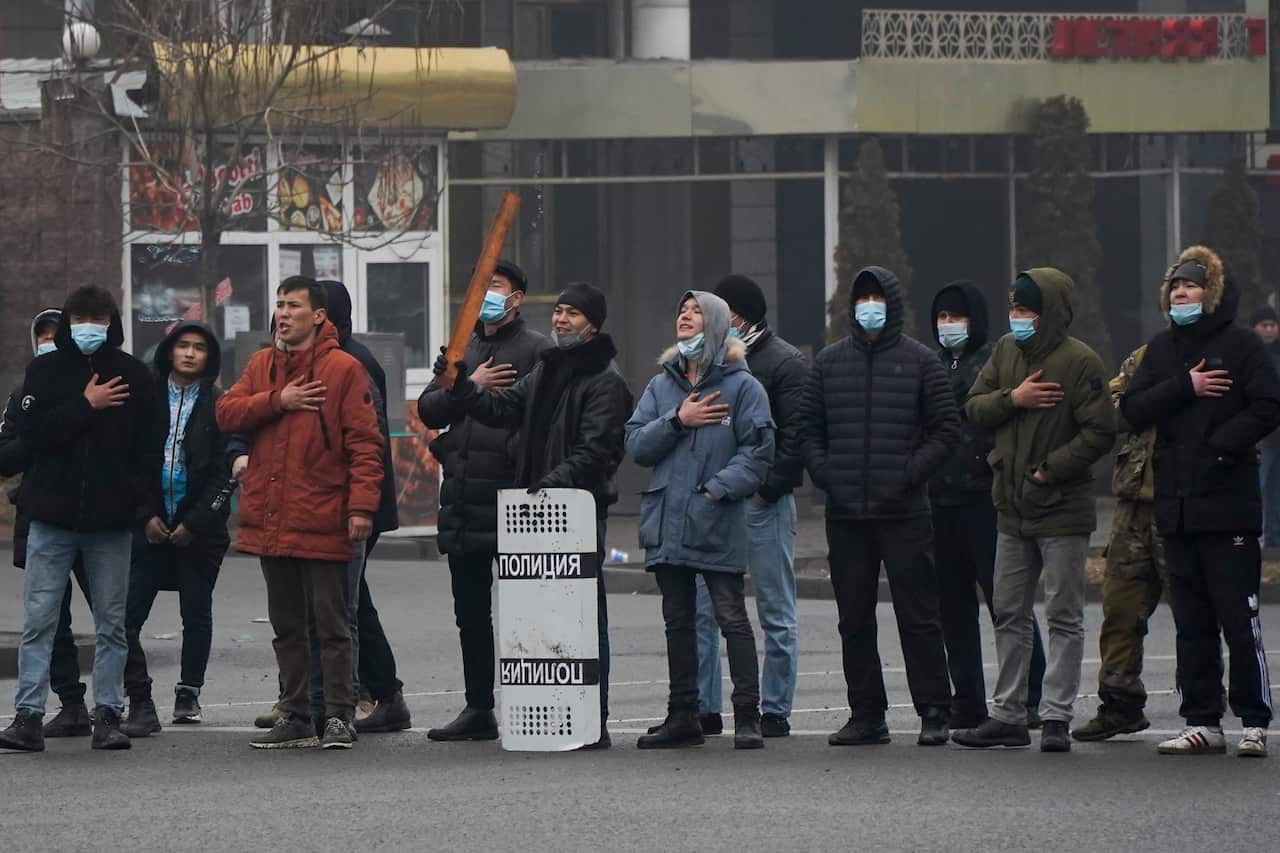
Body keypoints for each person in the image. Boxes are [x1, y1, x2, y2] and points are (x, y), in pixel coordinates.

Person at [432, 281, 631, 749]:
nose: (562, 320)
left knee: (582, 616)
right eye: (559, 311)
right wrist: (460, 383)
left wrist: (551, 484)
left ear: (593, 325)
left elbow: (597, 450)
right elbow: (501, 407)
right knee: (542, 617)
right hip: (538, 510)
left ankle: (592, 717)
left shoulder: (606, 379)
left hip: (576, 512)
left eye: (573, 314)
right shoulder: (548, 368)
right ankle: (553, 711)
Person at [1121, 246, 1278, 758]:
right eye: (1175, 288)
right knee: (1191, 625)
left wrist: (1220, 446)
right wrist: (1183, 387)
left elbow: (1268, 405)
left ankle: (1254, 721)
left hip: (1227, 504)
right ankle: (1202, 721)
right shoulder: (1161, 351)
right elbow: (1132, 410)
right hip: (1177, 508)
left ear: (1209, 294)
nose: (1181, 295)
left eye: (1190, 287)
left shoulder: (1242, 346)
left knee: (1239, 617)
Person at [217, 276, 384, 750]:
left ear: (318, 316)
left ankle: (338, 716)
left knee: (331, 625)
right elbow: (226, 413)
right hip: (273, 518)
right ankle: (295, 714)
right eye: (279, 305)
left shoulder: (344, 370)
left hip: (324, 516)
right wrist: (279, 401)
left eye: (293, 305)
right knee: (287, 627)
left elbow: (366, 447)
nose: (283, 314)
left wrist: (361, 509)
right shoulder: (262, 365)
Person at [955, 269, 1115, 753]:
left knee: (1063, 614)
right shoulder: (1005, 351)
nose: (1017, 317)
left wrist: (1051, 469)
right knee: (1008, 611)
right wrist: (1014, 398)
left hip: (1061, 508)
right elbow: (974, 406)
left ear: (1049, 311)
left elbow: (1101, 431)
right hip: (1011, 506)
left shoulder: (1081, 361)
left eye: (1026, 308)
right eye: (1013, 308)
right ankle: (1007, 713)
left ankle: (1056, 718)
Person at [801, 267, 959, 748]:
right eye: (861, 297)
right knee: (854, 618)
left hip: (905, 513)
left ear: (892, 304)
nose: (869, 305)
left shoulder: (921, 362)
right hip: (847, 516)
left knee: (919, 616)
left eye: (877, 297)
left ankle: (934, 710)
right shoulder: (828, 363)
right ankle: (866, 714)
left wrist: (907, 476)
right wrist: (829, 477)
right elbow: (807, 431)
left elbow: (946, 430)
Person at [0, 286, 162, 753]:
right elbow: (31, 438)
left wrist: (133, 499)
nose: (89, 326)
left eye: (99, 316)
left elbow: (149, 446)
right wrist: (85, 406)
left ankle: (108, 715)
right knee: (39, 621)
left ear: (113, 321)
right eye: (81, 317)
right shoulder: (45, 370)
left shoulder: (134, 375)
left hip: (110, 524)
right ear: (69, 320)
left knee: (111, 623)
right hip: (51, 518)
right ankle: (28, 715)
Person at [627, 290, 774, 750]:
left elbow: (758, 452)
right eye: (681, 311)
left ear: (713, 325)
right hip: (668, 518)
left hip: (715, 518)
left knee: (731, 617)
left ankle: (748, 716)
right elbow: (636, 445)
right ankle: (683, 715)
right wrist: (679, 419)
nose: (685, 318)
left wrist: (717, 489)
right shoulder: (661, 386)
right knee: (678, 621)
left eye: (695, 313)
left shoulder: (743, 386)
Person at [417, 260, 549, 741]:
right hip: (463, 495)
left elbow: (544, 416)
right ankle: (478, 706)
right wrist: (468, 386)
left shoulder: (537, 350)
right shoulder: (463, 347)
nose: (486, 295)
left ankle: (536, 705)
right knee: (469, 612)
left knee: (526, 611)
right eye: (480, 287)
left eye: (494, 287)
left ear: (516, 298)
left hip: (514, 497)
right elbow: (429, 409)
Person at [689, 275, 806, 738]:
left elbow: (794, 437)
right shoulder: (705, 361)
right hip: (716, 502)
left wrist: (767, 490)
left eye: (723, 313)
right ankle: (704, 705)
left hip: (762, 503)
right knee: (704, 609)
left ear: (743, 316)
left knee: (774, 609)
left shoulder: (785, 363)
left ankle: (775, 708)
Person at [927, 281, 1047, 730]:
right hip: (940, 499)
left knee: (1007, 603)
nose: (948, 324)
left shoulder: (996, 360)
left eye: (956, 316)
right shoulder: (932, 363)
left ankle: (1031, 694)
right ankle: (969, 700)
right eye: (941, 317)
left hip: (986, 498)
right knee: (952, 607)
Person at [119, 322, 246, 737]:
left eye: (199, 348)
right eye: (183, 346)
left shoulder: (219, 403)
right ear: (169, 351)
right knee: (125, 616)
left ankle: (188, 691)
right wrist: (145, 516)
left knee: (196, 610)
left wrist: (195, 521)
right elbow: (131, 462)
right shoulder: (147, 398)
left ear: (210, 357)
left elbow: (225, 471)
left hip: (200, 529)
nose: (190, 354)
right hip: (150, 525)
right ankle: (134, 692)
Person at [0, 309, 97, 739]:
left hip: (95, 518)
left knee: (112, 614)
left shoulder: (103, 390)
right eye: (42, 338)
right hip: (39, 515)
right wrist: (46, 434)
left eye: (57, 337)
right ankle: (69, 703)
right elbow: (7, 456)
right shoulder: (23, 395)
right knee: (48, 618)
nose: (49, 345)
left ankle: (133, 700)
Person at [1072, 344, 1168, 742]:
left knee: (1199, 611)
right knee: (1119, 604)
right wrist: (1160, 397)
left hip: (1186, 498)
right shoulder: (1146, 357)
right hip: (1134, 503)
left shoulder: (1219, 354)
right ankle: (1120, 703)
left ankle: (1204, 705)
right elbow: (1108, 410)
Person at [1250, 305, 1280, 547]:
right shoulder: (1251, 356)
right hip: (1262, 434)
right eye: (1264, 325)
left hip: (1277, 434)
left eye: (1273, 325)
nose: (1269, 330)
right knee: (1258, 487)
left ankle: (1274, 537)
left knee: (1275, 490)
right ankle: (1255, 536)